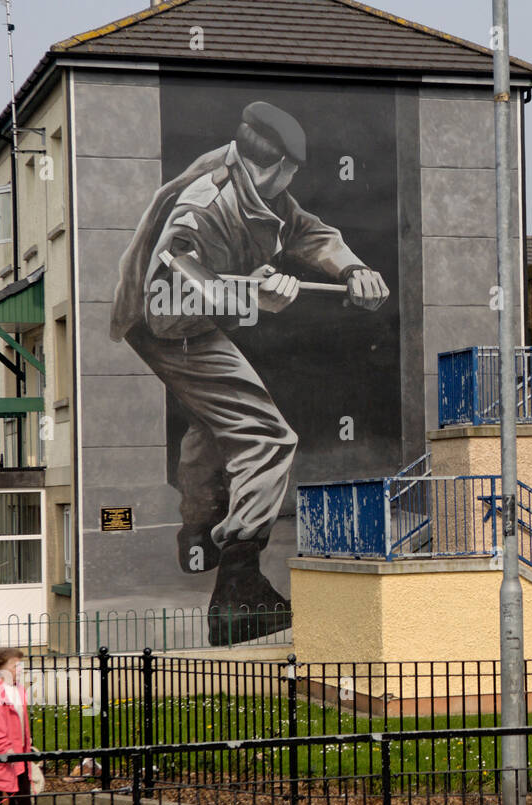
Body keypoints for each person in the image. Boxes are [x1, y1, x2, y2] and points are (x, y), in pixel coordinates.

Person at [111, 101, 390, 645]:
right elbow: (168, 302)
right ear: (279, 166)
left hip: (183, 318)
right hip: (167, 327)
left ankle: (199, 534)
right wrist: (254, 296)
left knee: (214, 422)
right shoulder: (203, 207)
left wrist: (353, 268)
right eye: (294, 173)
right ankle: (238, 590)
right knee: (265, 436)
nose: (294, 183)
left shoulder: (257, 185)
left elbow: (307, 231)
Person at [0, 649, 39, 805]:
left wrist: (26, 744)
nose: (19, 669)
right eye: (15, 666)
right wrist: (5, 749)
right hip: (4, 755)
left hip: (19, 753)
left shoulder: (19, 690)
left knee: (22, 796)